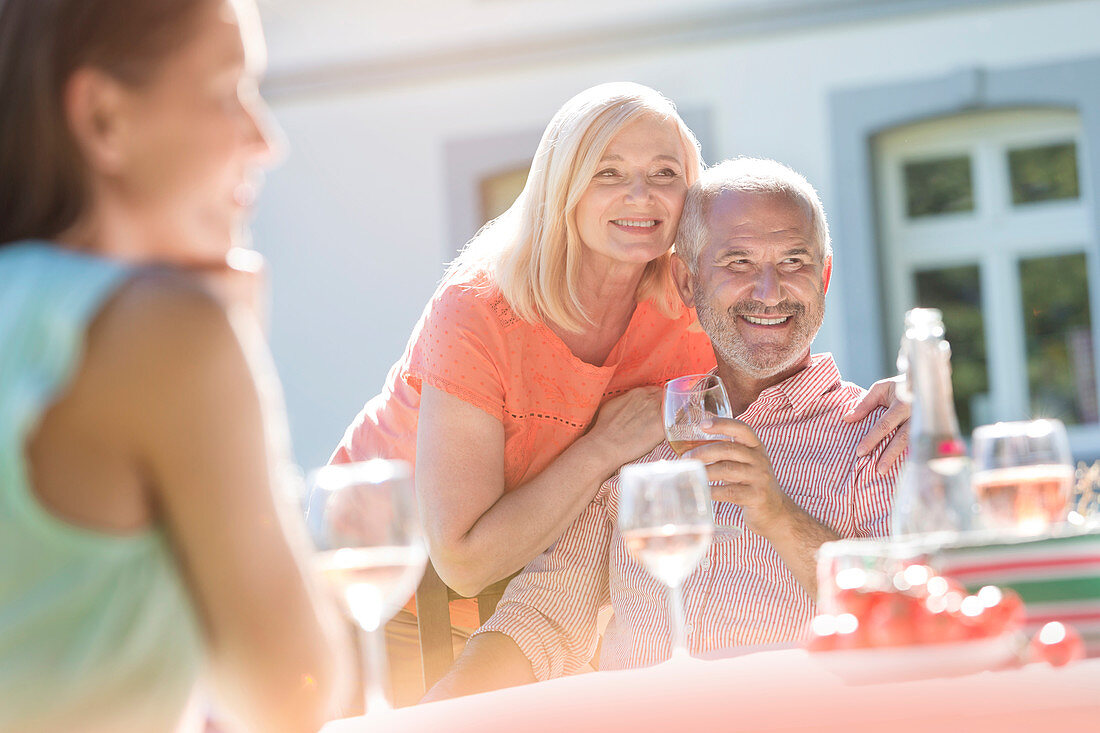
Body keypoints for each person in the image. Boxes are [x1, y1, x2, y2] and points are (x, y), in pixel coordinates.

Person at [330, 83, 910, 702]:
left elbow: (910, 612)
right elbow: (540, 617)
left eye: (792, 261)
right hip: (395, 585)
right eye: (737, 263)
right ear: (692, 282)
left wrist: (784, 510)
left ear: (822, 274)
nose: (766, 290)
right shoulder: (628, 430)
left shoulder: (870, 439)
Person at [0, 1, 349, 731]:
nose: (266, 140)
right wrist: (238, 351)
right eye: (229, 93)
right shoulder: (163, 336)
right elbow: (293, 695)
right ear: (103, 119)